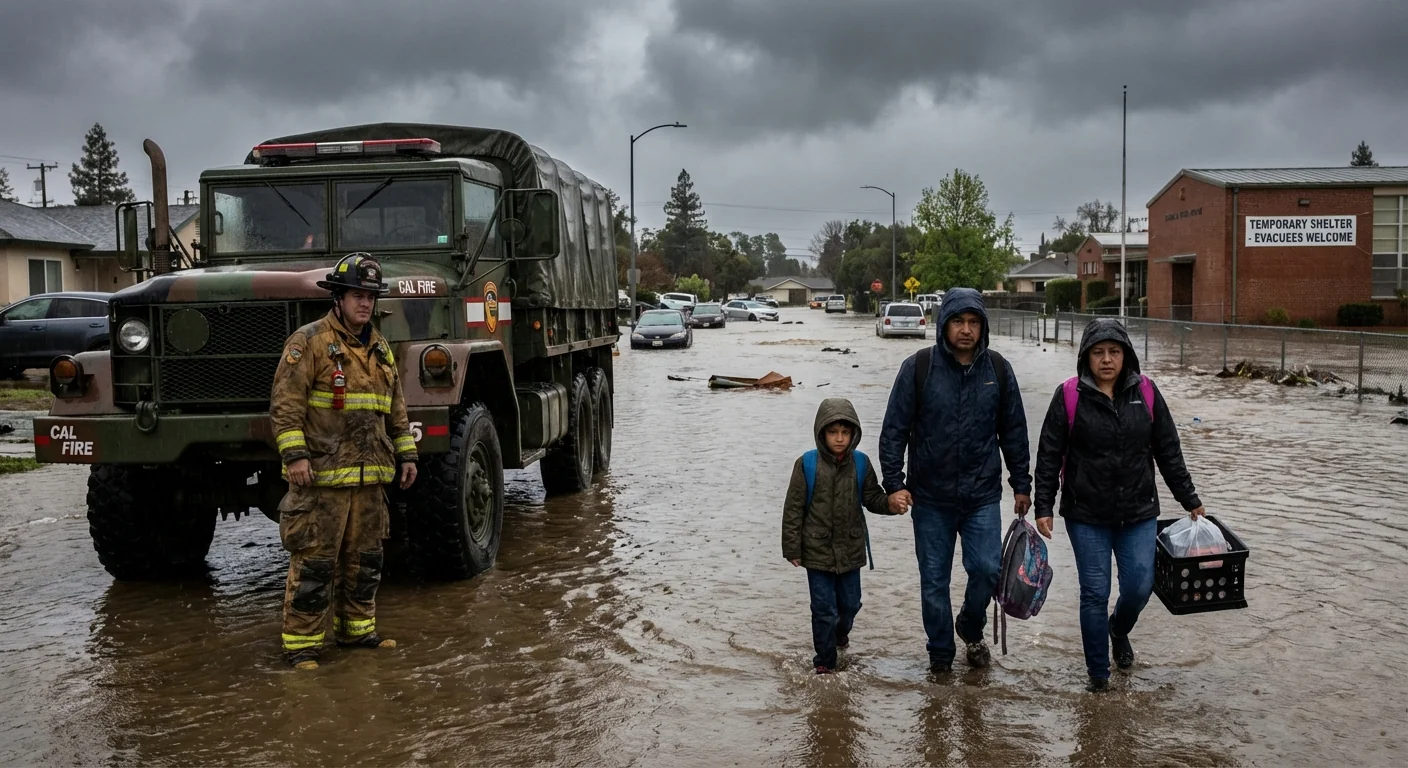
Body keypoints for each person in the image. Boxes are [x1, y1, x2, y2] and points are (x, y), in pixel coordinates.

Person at [1032, 317, 1206, 692]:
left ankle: (1118, 629)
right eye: (1098, 352)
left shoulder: (1146, 392)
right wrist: (1043, 504)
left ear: (1126, 355)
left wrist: (1189, 498)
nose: (1107, 359)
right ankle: (1098, 677)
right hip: (1085, 515)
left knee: (1140, 587)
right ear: (1086, 356)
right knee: (1094, 593)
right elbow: (1049, 454)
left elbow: (1168, 450)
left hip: (1138, 513)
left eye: (1114, 351)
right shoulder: (1069, 395)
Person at [270, 252, 419, 670]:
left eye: (370, 296)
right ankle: (302, 647)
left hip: (370, 479)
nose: (365, 303)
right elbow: (286, 405)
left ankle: (357, 633)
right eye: (357, 295)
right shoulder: (309, 342)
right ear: (337, 298)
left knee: (365, 562)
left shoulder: (380, 348)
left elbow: (396, 408)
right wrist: (295, 456)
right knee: (315, 563)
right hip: (321, 479)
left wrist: (407, 454)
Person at [879, 287, 1031, 674]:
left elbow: (1014, 431)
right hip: (930, 498)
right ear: (944, 325)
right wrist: (894, 483)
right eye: (958, 322)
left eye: (974, 322)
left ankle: (970, 625)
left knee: (987, 569)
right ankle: (940, 657)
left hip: (982, 496)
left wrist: (1021, 484)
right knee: (934, 581)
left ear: (984, 327)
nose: (966, 330)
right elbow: (894, 429)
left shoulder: (998, 369)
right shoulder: (919, 367)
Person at [782, 398, 901, 675]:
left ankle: (840, 634)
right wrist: (792, 548)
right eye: (833, 432)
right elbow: (793, 509)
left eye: (845, 432)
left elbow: (872, 498)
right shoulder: (806, 464)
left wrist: (891, 504)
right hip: (816, 551)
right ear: (821, 433)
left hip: (850, 549)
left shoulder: (861, 463)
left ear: (853, 434)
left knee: (850, 604)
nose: (839, 438)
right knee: (823, 609)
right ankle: (825, 662)